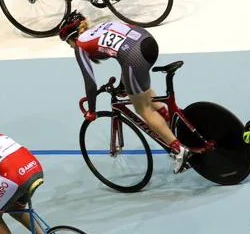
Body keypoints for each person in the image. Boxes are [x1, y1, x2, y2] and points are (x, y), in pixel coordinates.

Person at [58, 11, 191, 173]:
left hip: (133, 57)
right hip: (148, 42)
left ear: (71, 38)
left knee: (142, 109)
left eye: (68, 43)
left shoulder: (80, 45)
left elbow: (90, 83)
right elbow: (122, 52)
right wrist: (123, 85)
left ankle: (179, 151)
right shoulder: (100, 27)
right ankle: (168, 118)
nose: (71, 46)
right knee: (141, 91)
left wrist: (91, 111)